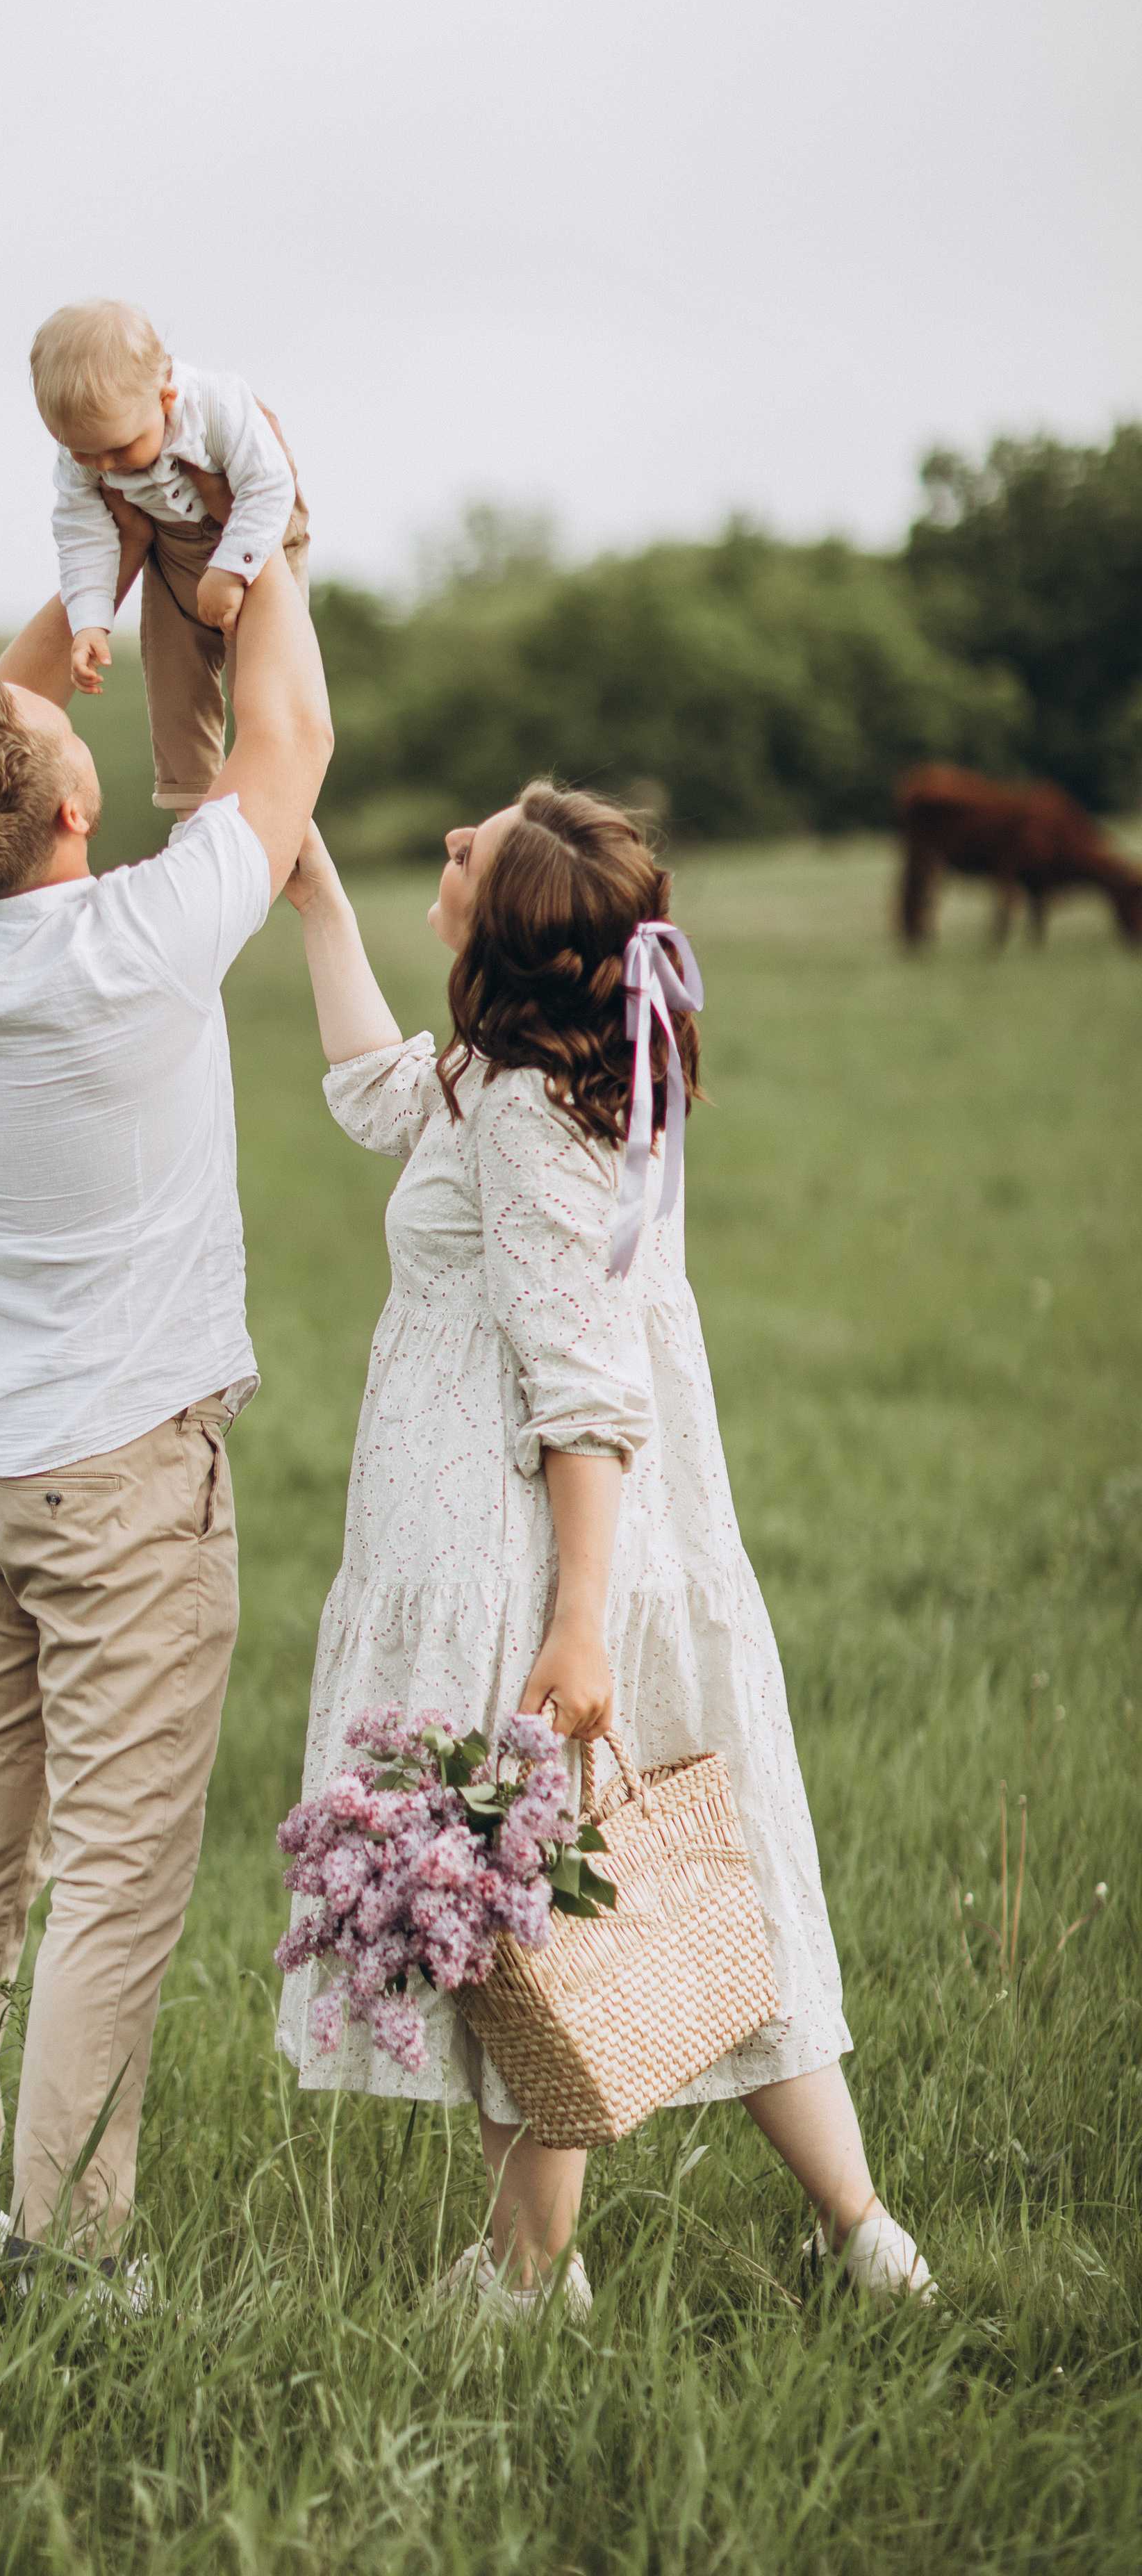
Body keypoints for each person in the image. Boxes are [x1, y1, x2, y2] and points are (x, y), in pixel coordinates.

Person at [275, 787, 934, 2319]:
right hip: (578, 1551)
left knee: (536, 1920)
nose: (450, 844)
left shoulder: (524, 1114)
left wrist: (574, 1624)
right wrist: (316, 899)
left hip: (531, 1558)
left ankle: (525, 2274)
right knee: (678, 1907)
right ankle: (865, 2241)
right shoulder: (522, 1075)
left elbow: (582, 1391)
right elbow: (382, 1096)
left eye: (474, 847)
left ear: (503, 935)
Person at [0, 526, 331, 2276]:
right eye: (68, 739)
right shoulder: (136, 938)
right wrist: (259, 534)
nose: (69, 714)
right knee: (118, 1872)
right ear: (69, 812)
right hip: (120, 1475)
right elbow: (293, 743)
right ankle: (64, 2253)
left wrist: (105, 565)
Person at [30, 297, 310, 810]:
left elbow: (271, 484)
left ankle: (271, 804)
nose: (105, 465)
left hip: (257, 538)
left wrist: (232, 568)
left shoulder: (219, 405)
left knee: (264, 687)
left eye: (121, 447)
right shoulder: (88, 450)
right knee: (173, 684)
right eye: (83, 451)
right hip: (171, 550)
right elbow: (83, 533)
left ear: (165, 396)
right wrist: (89, 621)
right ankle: (191, 804)